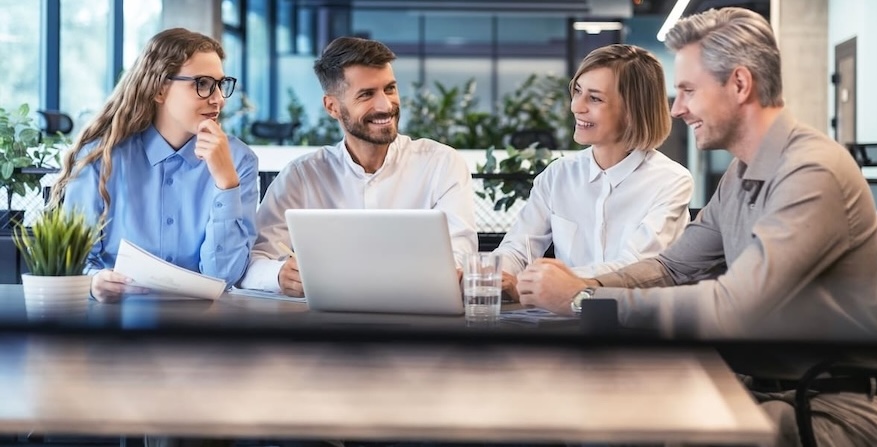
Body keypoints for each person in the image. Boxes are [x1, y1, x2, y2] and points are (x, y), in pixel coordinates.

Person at [517, 7, 877, 446]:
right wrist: (581, 285)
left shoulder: (812, 172)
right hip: (757, 387)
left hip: (823, 405)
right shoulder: (740, 173)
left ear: (739, 84)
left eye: (688, 91)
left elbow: (735, 307)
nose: (676, 110)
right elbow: (671, 268)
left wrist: (584, 299)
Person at [238, 36, 477, 296]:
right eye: (366, 94)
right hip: (327, 327)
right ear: (332, 107)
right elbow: (252, 261)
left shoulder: (441, 164)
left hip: (418, 321)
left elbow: (460, 257)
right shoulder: (302, 176)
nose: (386, 105)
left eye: (390, 89)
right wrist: (279, 275)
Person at [51, 28, 259, 302]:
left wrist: (226, 183)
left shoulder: (239, 160)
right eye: (203, 83)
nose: (218, 98)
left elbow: (222, 276)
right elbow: (71, 264)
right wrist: (94, 283)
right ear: (160, 89)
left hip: (203, 327)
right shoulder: (100, 157)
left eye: (221, 84)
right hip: (115, 322)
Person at [492, 44, 693, 301]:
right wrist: (493, 274)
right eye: (577, 91)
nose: (577, 106)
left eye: (595, 98)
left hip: (634, 326)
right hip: (563, 324)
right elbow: (518, 250)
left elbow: (633, 270)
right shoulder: (558, 176)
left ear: (633, 110)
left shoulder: (670, 181)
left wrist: (553, 282)